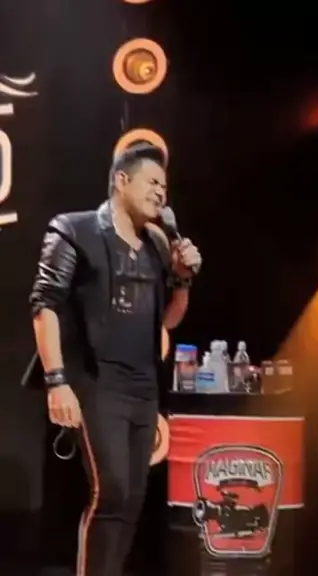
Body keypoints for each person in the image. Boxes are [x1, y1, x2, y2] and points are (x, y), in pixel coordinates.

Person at [26, 142, 202, 576]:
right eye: (152, 182)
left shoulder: (158, 243)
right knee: (112, 493)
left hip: (142, 387)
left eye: (165, 186)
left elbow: (167, 320)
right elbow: (44, 304)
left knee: (132, 501)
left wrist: (182, 279)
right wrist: (56, 380)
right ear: (122, 180)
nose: (160, 192)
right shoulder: (75, 229)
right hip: (95, 382)